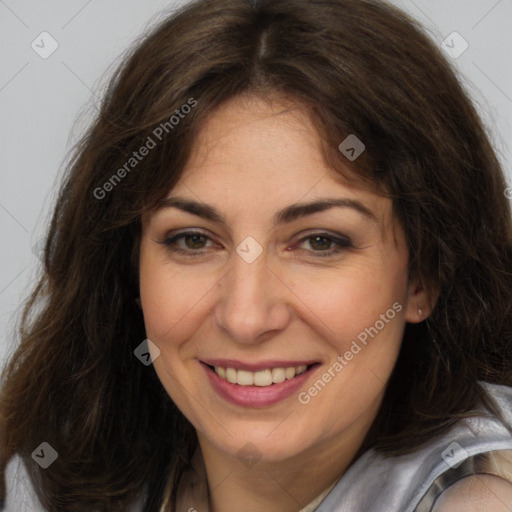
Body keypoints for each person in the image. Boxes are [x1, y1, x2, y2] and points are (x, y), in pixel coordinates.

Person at [1, 0, 512, 510]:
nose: (245, 318)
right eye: (193, 240)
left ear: (422, 276)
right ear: (128, 268)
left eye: (320, 242)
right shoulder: (38, 478)